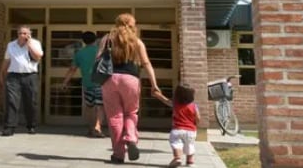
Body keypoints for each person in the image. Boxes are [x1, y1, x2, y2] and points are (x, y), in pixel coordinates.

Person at [98, 13, 161, 164]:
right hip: (130, 80)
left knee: (115, 117)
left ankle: (118, 154)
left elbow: (98, 59)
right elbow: (146, 64)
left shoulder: (107, 39)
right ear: (133, 25)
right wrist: (154, 84)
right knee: (131, 113)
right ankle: (131, 138)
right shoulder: (137, 42)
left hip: (109, 79)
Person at [0, 25, 44, 136]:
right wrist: (1, 72)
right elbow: (7, 60)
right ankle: (9, 127)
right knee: (11, 101)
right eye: (20, 33)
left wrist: (29, 45)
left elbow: (38, 57)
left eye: (25, 33)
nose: (22, 35)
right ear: (17, 34)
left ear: (29, 34)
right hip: (13, 76)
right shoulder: (11, 45)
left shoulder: (35, 43)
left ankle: (31, 125)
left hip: (30, 76)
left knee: (31, 102)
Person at [60, 31, 106, 138]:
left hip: (87, 83)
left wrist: (65, 82)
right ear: (95, 40)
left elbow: (72, 69)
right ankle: (98, 128)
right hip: (101, 83)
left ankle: (91, 129)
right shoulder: (100, 52)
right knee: (100, 107)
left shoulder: (79, 53)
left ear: (83, 41)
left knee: (89, 107)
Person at [154, 84, 200, 167]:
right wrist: (196, 123)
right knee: (190, 145)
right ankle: (190, 161)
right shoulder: (194, 106)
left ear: (177, 95)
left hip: (177, 130)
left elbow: (166, 100)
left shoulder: (175, 104)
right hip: (191, 130)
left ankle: (177, 158)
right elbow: (198, 118)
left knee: (176, 143)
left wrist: (158, 95)